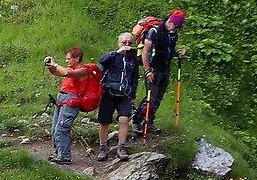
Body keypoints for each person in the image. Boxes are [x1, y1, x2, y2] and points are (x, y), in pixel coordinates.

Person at [43, 44, 101, 166]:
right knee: (55, 128)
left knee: (62, 127)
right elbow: (58, 72)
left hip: (71, 100)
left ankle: (64, 156)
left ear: (77, 58)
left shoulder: (83, 71)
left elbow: (65, 73)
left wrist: (55, 64)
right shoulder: (72, 70)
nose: (66, 60)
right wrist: (50, 66)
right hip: (62, 98)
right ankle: (58, 153)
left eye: (68, 58)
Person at [97, 31, 143, 162]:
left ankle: (121, 147)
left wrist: (133, 95)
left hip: (125, 95)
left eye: (130, 43)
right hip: (108, 92)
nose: (127, 45)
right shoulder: (112, 57)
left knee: (124, 119)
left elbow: (134, 79)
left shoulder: (133, 60)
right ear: (118, 43)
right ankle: (103, 148)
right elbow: (102, 61)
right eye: (124, 42)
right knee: (104, 121)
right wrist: (117, 52)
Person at [139, 10, 183, 140]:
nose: (177, 29)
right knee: (151, 97)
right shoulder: (155, 32)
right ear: (171, 22)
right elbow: (145, 52)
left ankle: (149, 121)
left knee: (158, 98)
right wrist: (148, 70)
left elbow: (168, 50)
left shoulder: (173, 35)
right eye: (177, 26)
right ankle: (136, 121)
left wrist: (177, 53)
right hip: (153, 68)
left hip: (165, 69)